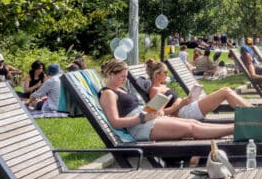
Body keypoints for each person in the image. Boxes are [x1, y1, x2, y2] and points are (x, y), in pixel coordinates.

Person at [97, 58, 232, 141]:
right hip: (141, 127)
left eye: (126, 76)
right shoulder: (108, 94)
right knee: (190, 128)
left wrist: (155, 110)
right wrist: (142, 118)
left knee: (192, 122)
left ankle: (234, 128)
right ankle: (236, 129)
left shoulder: (120, 89)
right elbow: (115, 122)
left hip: (147, 118)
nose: (125, 80)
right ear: (110, 74)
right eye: (122, 76)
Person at [144, 59, 252, 120]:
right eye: (165, 72)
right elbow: (156, 113)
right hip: (184, 113)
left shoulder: (162, 87)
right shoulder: (155, 90)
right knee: (225, 91)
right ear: (156, 75)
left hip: (187, 108)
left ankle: (252, 111)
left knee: (225, 90)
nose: (167, 74)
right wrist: (180, 105)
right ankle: (253, 113)